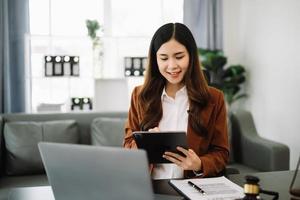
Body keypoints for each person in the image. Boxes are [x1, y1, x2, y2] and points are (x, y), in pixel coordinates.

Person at [123, 22, 229, 179]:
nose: (172, 66)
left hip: (192, 188)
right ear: (155, 59)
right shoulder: (140, 96)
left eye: (179, 57)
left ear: (191, 56)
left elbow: (221, 152)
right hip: (150, 187)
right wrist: (143, 142)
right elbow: (127, 144)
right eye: (164, 58)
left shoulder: (214, 98)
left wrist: (199, 164)